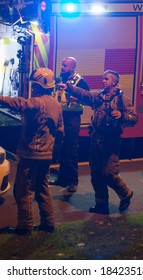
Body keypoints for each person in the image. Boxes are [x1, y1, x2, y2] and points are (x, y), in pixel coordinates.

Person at [0, 68, 64, 234]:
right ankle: (48, 223)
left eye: (35, 85)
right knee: (43, 188)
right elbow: (60, 131)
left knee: (23, 190)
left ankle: (25, 226)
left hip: (31, 154)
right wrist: (53, 150)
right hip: (46, 155)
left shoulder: (37, 102)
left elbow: (15, 103)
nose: (33, 88)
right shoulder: (56, 105)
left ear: (39, 86)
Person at [59, 70, 137, 214]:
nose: (103, 81)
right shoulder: (99, 97)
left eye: (106, 79)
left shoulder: (122, 99)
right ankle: (101, 205)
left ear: (114, 82)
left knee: (109, 173)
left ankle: (125, 193)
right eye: (103, 78)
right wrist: (69, 88)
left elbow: (134, 118)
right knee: (96, 174)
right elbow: (85, 94)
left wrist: (122, 115)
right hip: (96, 140)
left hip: (111, 141)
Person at [50, 57, 90, 193]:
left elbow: (88, 98)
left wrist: (77, 98)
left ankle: (73, 181)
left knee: (71, 149)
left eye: (65, 65)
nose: (62, 67)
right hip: (61, 117)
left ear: (72, 68)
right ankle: (62, 179)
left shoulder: (80, 81)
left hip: (72, 118)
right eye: (62, 64)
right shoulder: (60, 79)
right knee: (61, 147)